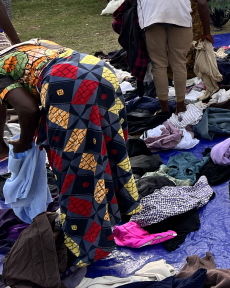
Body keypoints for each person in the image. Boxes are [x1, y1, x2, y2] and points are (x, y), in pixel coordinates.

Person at [0, 39, 141, 266]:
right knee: (106, 147)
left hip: (68, 87)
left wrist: (24, 142)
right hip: (99, 70)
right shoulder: (25, 49)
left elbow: (28, 110)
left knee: (76, 168)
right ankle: (115, 212)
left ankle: (86, 247)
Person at [125, 0, 213, 114]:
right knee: (179, 63)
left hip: (153, 18)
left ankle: (164, 108)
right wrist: (207, 32)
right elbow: (201, 2)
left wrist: (139, 8)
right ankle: (180, 105)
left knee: (159, 64)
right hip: (180, 16)